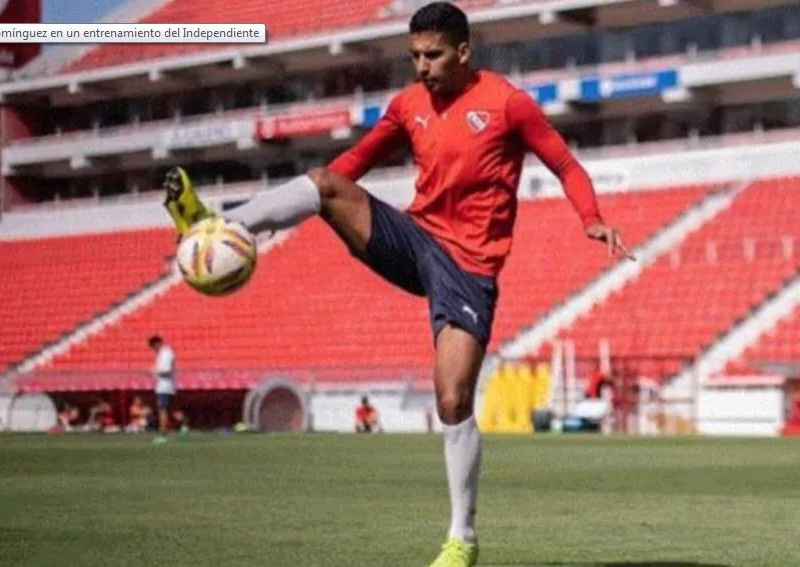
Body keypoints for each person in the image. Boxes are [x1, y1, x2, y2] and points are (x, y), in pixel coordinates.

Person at [162, 3, 633, 564]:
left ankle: (463, 538)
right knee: (323, 183)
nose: (421, 67)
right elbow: (353, 163)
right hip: (413, 241)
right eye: (414, 56)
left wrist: (591, 218)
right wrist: (319, 200)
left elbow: (565, 165)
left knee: (453, 397)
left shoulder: (508, 103)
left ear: (463, 52)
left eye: (432, 55)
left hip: (469, 267)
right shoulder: (408, 105)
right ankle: (219, 223)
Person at [148, 335, 177, 444]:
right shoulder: (162, 354)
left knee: (162, 411)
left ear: (157, 343)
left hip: (164, 387)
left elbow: (166, 371)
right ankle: (168, 432)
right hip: (165, 386)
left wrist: (153, 372)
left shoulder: (166, 353)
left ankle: (162, 435)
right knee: (167, 410)